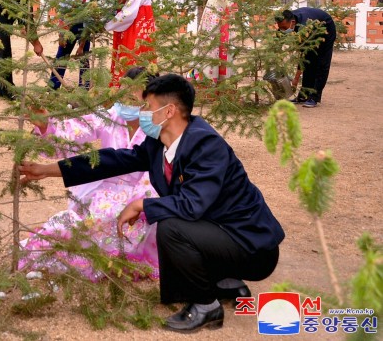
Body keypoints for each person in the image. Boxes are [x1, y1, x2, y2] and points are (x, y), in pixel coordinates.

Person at [20, 74, 284, 333]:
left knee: (171, 226)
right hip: (219, 234)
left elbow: (192, 205)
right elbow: (114, 160)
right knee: (170, 221)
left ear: (169, 111)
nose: (142, 112)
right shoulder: (160, 143)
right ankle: (218, 281)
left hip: (252, 247)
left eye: (147, 106)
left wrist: (141, 206)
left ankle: (206, 306)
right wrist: (48, 169)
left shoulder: (206, 144)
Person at [20, 67, 158, 279]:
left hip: (142, 195)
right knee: (75, 227)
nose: (124, 101)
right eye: (121, 93)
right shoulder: (110, 116)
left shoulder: (158, 128)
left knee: (123, 232)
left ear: (149, 101)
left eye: (132, 96)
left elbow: (159, 173)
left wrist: (141, 203)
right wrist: (47, 126)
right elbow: (75, 130)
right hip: (103, 190)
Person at [106, 0, 156, 87]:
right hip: (141, 29)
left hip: (136, 29)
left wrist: (108, 24)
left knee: (131, 56)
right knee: (140, 58)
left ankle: (129, 91)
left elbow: (128, 13)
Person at [275, 8, 337, 108]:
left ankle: (314, 97)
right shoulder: (286, 21)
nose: (282, 30)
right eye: (280, 27)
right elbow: (277, 41)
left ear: (292, 23)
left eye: (283, 27)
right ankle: (304, 95)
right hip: (312, 28)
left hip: (326, 29)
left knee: (320, 63)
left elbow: (303, 55)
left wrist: (296, 79)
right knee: (309, 61)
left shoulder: (305, 27)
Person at [199, 0, 246, 81]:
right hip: (213, 27)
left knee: (225, 53)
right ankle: (208, 82)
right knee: (211, 53)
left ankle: (223, 82)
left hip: (226, 27)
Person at [50, 0, 94, 90]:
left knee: (83, 57)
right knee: (61, 57)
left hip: (83, 30)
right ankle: (53, 86)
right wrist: (61, 36)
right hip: (68, 28)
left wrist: (81, 46)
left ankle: (84, 87)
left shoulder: (89, 3)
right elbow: (62, 18)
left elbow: (87, 27)